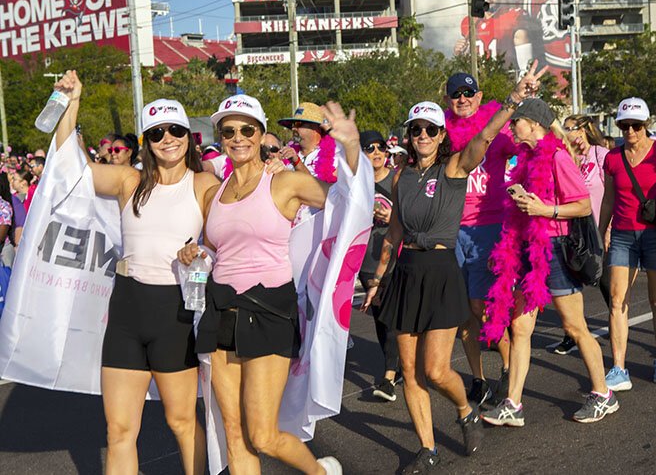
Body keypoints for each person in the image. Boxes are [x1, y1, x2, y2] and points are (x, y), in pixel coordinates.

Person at [364, 62, 547, 473]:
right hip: (406, 273)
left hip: (441, 271)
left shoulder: (455, 167)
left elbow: (485, 134)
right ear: (408, 136)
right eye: (416, 130)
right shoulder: (400, 177)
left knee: (436, 369)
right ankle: (427, 449)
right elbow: (394, 231)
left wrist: (515, 100)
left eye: (430, 129)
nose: (423, 136)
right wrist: (377, 279)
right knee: (410, 371)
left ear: (441, 134)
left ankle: (464, 408)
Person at [179, 94, 358, 475]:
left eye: (247, 129)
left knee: (262, 434)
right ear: (221, 136)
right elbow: (213, 248)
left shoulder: (285, 183)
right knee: (233, 433)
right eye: (229, 131)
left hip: (268, 312)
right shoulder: (215, 192)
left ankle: (319, 472)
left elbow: (345, 201)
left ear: (261, 134)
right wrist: (196, 254)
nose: (238, 137)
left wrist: (351, 146)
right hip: (220, 311)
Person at [53, 70, 215, 475]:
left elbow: (224, 237)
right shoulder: (130, 181)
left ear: (189, 136)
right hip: (126, 311)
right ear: (145, 141)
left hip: (174, 312)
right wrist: (72, 103)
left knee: (181, 422)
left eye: (175, 129)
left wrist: (202, 253)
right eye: (156, 133)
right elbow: (69, 171)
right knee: (119, 430)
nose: (168, 139)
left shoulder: (204, 184)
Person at [480, 98, 618, 428]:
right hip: (531, 249)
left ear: (534, 124)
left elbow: (583, 206)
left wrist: (546, 210)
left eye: (516, 122)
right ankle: (513, 404)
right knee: (520, 327)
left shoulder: (557, 157)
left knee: (574, 327)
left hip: (555, 249)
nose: (512, 127)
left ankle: (603, 394)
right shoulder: (525, 159)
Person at [599, 97, 656, 390]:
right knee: (616, 300)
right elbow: (609, 199)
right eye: (624, 126)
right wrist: (602, 232)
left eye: (636, 126)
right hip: (624, 235)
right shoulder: (613, 158)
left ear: (647, 125)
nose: (630, 132)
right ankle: (618, 366)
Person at [442, 72, 515, 407]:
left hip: (488, 227)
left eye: (468, 93)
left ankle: (510, 367)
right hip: (453, 229)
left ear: (479, 95)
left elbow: (530, 151)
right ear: (447, 99)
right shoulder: (439, 136)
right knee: (463, 313)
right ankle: (478, 378)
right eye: (456, 94)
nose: (463, 99)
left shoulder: (497, 134)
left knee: (483, 305)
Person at [552, 115, 611, 355]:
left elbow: (611, 194)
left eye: (570, 129)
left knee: (608, 286)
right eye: (563, 129)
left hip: (600, 229)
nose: (566, 133)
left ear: (584, 129)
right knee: (572, 285)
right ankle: (571, 333)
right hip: (576, 234)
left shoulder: (601, 155)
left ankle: (618, 327)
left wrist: (608, 228)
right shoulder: (567, 157)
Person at [357, 129, 400, 402]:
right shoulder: (355, 185)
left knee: (393, 317)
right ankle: (396, 366)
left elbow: (413, 214)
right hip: (367, 261)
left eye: (380, 147)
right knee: (381, 318)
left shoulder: (397, 180)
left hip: (396, 257)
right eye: (369, 148)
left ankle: (389, 377)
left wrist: (392, 215)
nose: (376, 153)